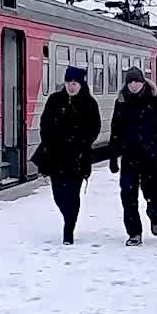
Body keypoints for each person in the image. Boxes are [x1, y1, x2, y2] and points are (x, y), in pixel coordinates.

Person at [35, 66, 101, 244]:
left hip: (78, 157)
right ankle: (68, 217)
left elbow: (95, 128)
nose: (71, 86)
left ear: (81, 84)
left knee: (72, 193)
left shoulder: (89, 103)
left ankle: (68, 229)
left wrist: (81, 142)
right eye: (68, 82)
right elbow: (44, 124)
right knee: (58, 195)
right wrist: (49, 142)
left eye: (75, 83)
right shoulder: (54, 100)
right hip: (55, 156)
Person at [108, 67, 157, 246]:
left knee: (153, 193)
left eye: (137, 81)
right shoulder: (121, 101)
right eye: (130, 81)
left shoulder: (155, 100)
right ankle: (134, 232)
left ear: (143, 82)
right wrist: (113, 156)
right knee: (128, 197)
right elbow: (115, 130)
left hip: (150, 157)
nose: (133, 85)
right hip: (129, 157)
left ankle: (155, 216)